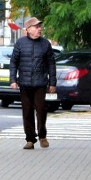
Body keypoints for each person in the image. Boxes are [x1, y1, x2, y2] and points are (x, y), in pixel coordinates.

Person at [10, 17, 57, 149]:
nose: (39, 29)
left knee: (41, 109)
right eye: (36, 27)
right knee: (27, 111)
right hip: (24, 83)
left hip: (40, 83)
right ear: (28, 29)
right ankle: (30, 139)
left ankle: (42, 135)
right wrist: (13, 80)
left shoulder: (45, 44)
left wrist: (52, 83)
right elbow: (13, 62)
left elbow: (51, 64)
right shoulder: (20, 43)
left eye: (40, 27)